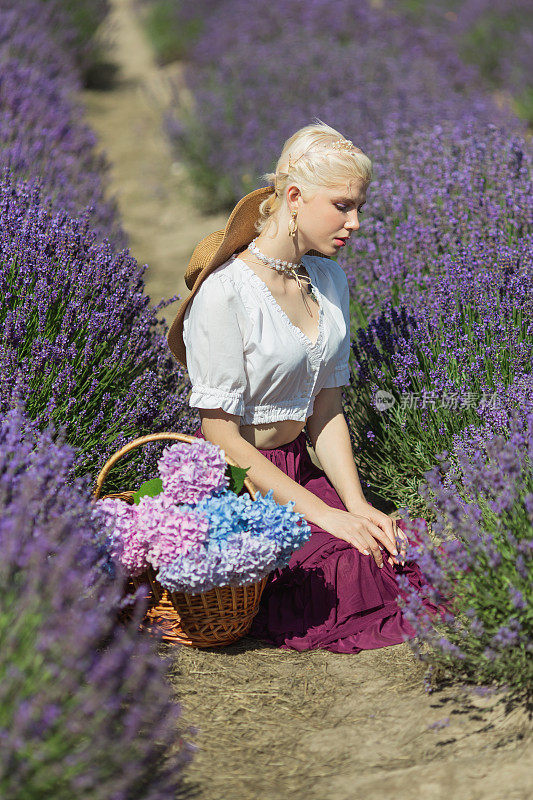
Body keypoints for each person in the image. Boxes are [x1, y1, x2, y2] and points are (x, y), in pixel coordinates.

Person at [166, 121, 446, 653]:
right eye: (342, 206)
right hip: (240, 485)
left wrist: (356, 504)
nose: (355, 223)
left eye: (358, 206)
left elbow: (326, 408)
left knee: (390, 547)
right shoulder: (226, 294)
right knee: (348, 573)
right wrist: (326, 516)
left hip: (300, 468)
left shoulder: (329, 280)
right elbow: (221, 437)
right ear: (294, 197)